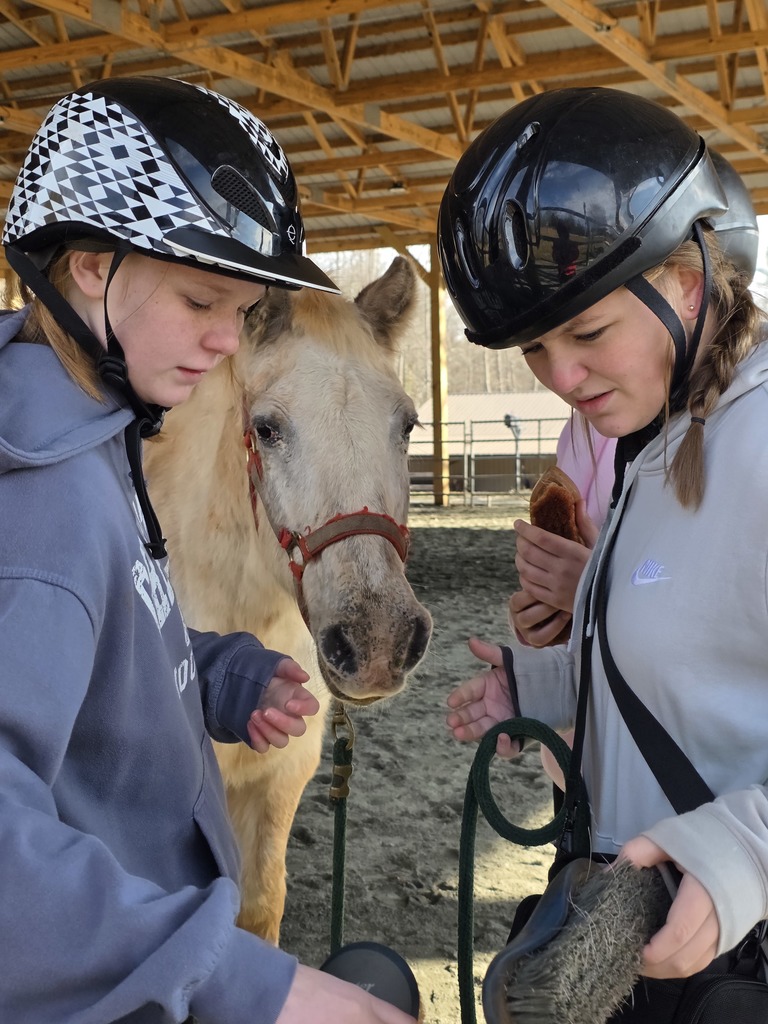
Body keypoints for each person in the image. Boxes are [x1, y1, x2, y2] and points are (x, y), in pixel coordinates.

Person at [0, 77, 415, 1024]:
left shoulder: (94, 439)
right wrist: (253, 985)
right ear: (94, 267)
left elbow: (97, 637)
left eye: (242, 308)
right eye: (200, 300)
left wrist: (217, 674)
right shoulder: (42, 501)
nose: (227, 343)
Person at [439, 86, 768, 1020]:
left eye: (586, 332)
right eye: (537, 350)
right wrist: (545, 687)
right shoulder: (653, 444)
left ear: (692, 282)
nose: (562, 378)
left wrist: (745, 853)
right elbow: (710, 665)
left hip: (724, 958)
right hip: (631, 932)